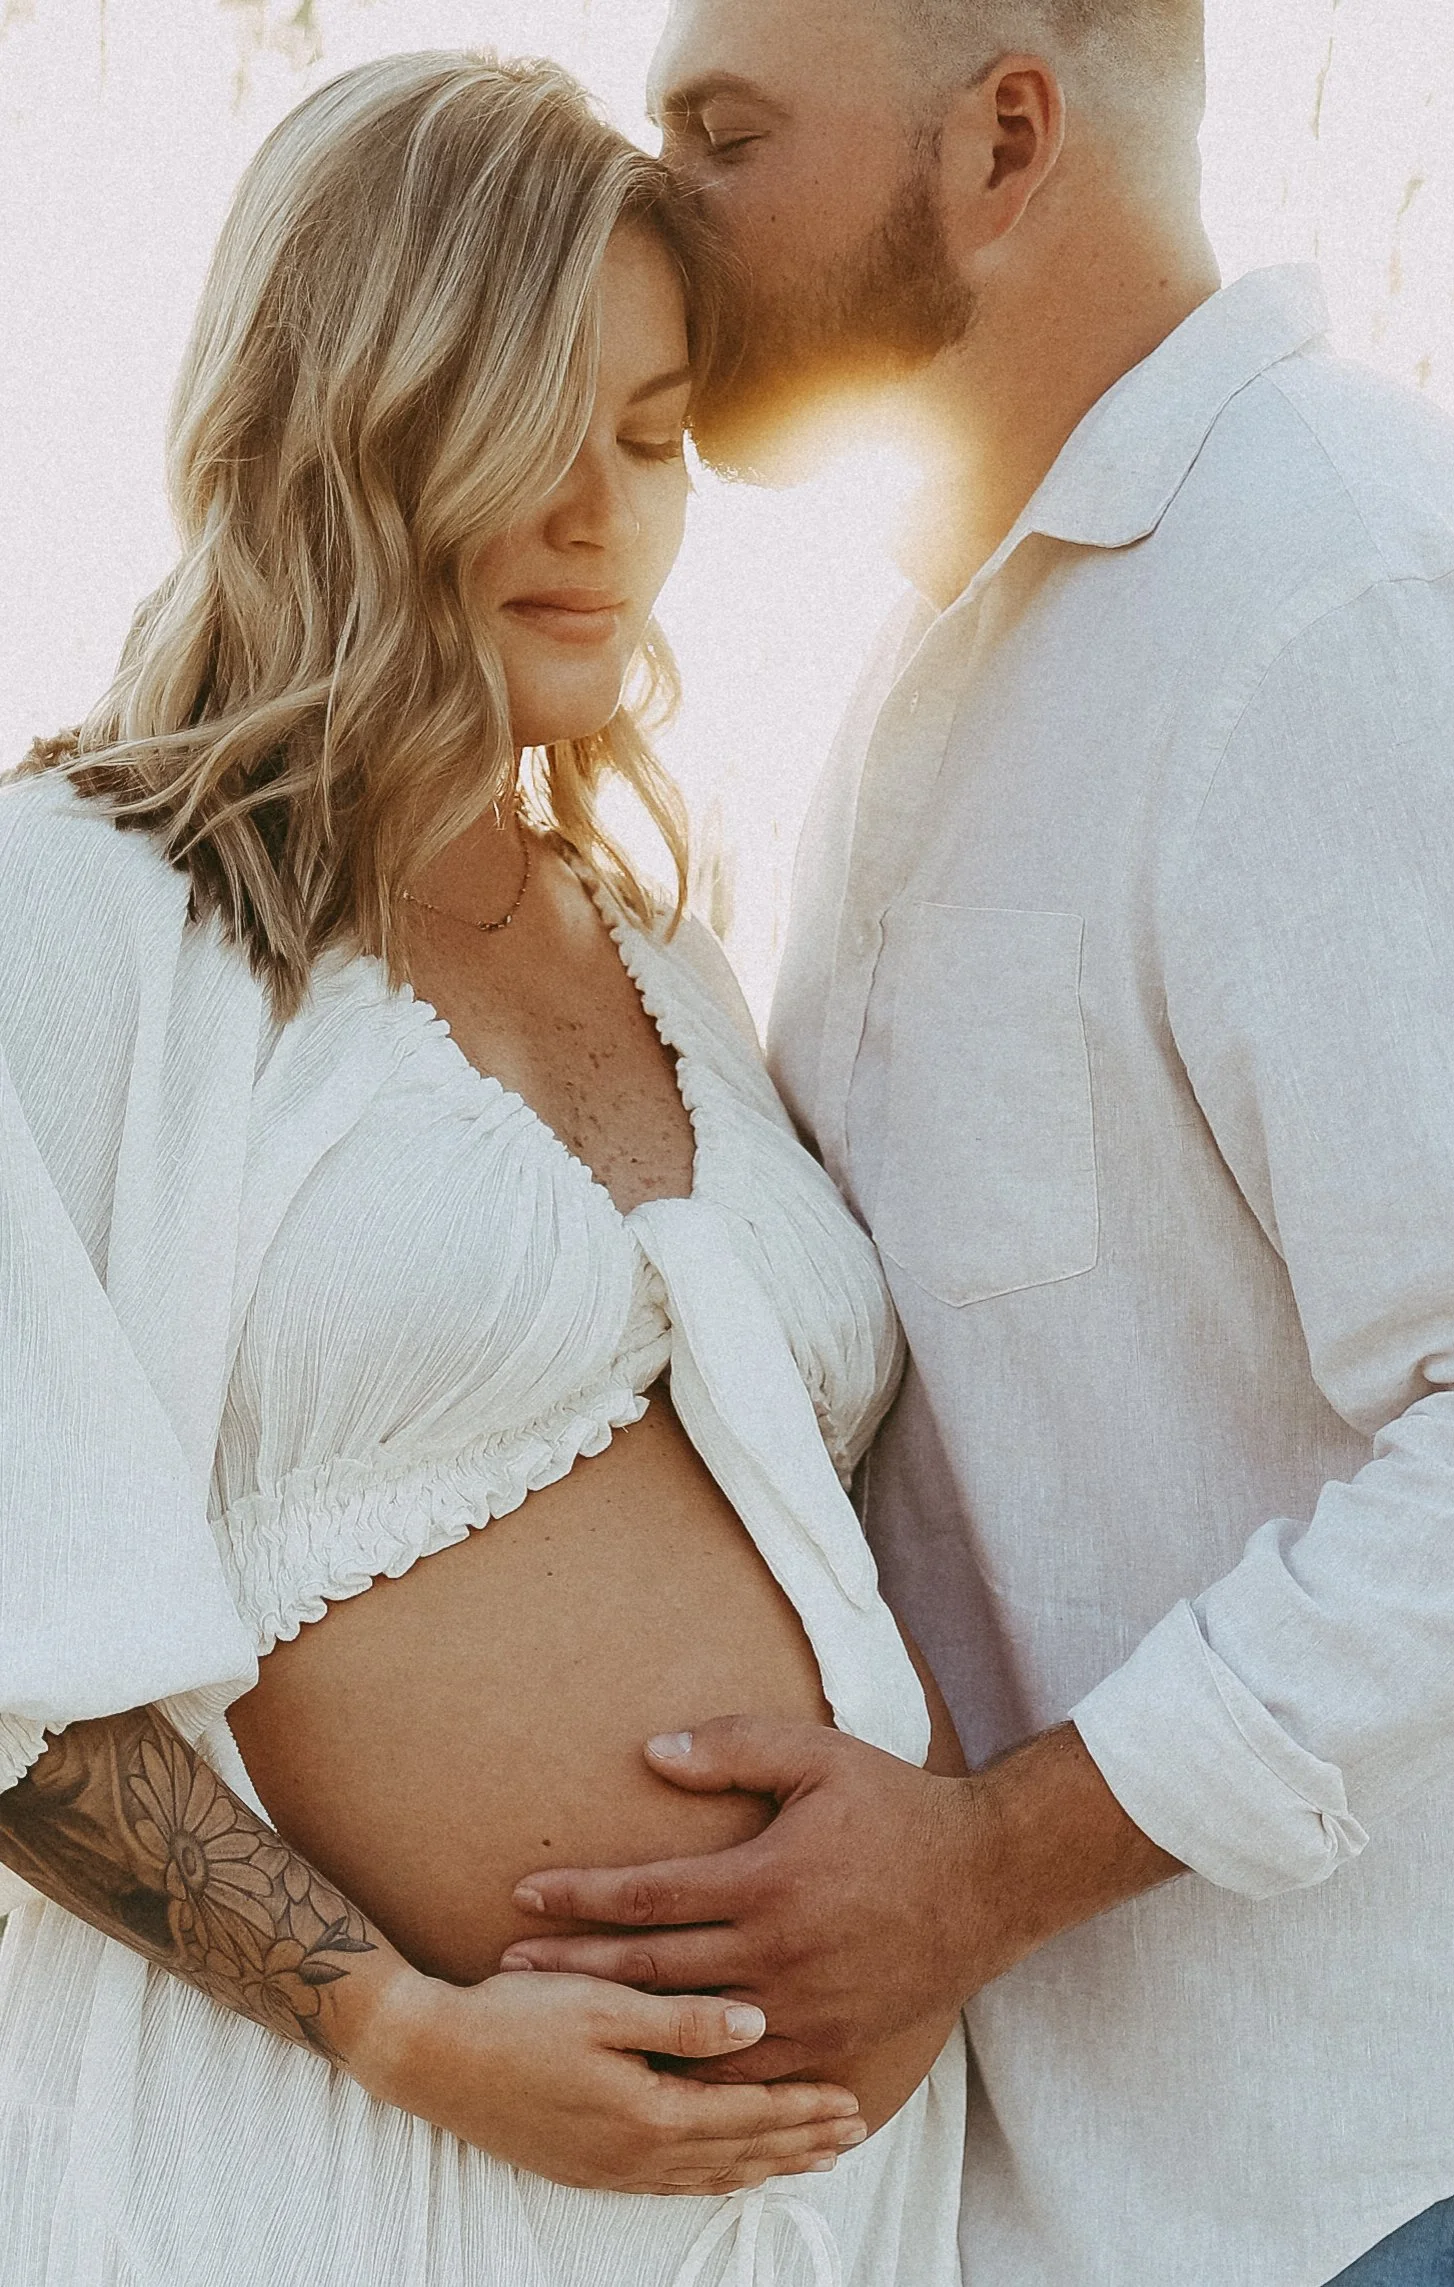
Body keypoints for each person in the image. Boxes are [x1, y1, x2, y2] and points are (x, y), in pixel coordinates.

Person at [498, 3, 1454, 2282]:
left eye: (725, 130)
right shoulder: (938, 662)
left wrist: (981, 1861)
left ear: (1008, 138)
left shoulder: (1335, 592)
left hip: (1368, 2203)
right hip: (1044, 2201)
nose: (651, 197)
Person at [0, 52, 968, 2287]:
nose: (598, 515)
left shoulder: (671, 964)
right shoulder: (74, 917)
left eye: (650, 438)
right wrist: (397, 2031)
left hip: (810, 2225)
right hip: (325, 2182)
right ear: (348, 416)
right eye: (529, 427)